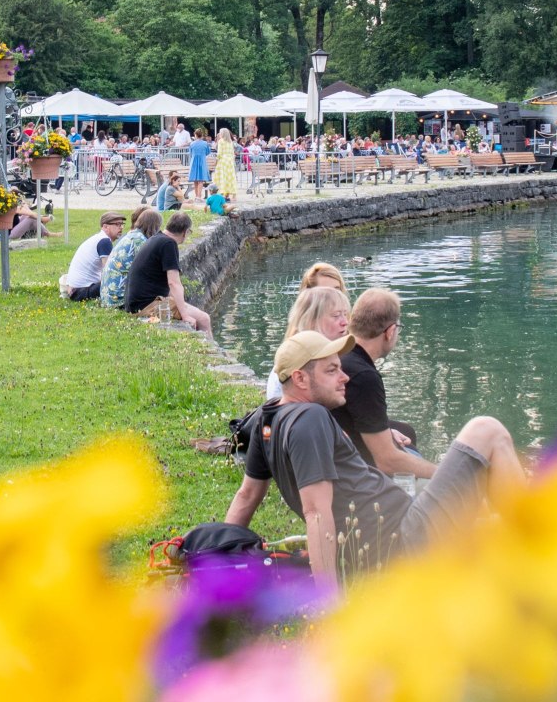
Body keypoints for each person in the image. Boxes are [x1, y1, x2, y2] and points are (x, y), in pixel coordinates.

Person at [225, 330, 524, 582]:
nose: (344, 377)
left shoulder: (268, 419)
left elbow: (246, 496)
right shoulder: (310, 418)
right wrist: (327, 606)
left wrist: (221, 554)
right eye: (331, 370)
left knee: (491, 525)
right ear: (301, 379)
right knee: (488, 431)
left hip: (393, 538)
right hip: (403, 542)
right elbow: (316, 512)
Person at [333, 288, 432, 477]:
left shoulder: (340, 355)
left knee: (406, 432)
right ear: (390, 331)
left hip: (337, 456)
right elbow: (386, 461)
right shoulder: (364, 377)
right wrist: (444, 474)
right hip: (356, 480)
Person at [122, 211, 212, 335]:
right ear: (185, 232)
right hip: (146, 306)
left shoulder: (156, 238)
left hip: (136, 303)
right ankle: (207, 353)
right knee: (204, 319)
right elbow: (174, 283)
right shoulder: (169, 244)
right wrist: (185, 315)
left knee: (188, 308)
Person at [62, 211, 126, 301]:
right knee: (119, 281)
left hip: (75, 289)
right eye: (117, 224)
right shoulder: (104, 241)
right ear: (105, 227)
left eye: (122, 224)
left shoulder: (98, 238)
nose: (121, 227)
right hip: (81, 292)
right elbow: (109, 271)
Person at [101, 208, 157, 310]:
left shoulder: (130, 236)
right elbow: (150, 270)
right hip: (119, 300)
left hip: (107, 297)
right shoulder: (139, 240)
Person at [213, 127, 239, 203]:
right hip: (230, 161)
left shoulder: (221, 141)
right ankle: (233, 195)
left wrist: (216, 161)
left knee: (222, 178)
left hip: (223, 161)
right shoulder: (230, 141)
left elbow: (219, 153)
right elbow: (232, 152)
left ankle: (223, 194)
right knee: (230, 177)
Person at [187, 127, 212, 202]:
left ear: (195, 135)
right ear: (201, 135)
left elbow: (190, 153)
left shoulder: (192, 143)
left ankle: (196, 196)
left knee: (195, 180)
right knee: (201, 180)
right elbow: (208, 152)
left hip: (194, 162)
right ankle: (199, 196)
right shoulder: (205, 143)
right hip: (202, 161)